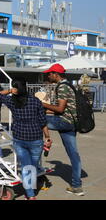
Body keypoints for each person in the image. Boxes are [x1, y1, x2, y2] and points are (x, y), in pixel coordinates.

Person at [0, 80, 52, 200]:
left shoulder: (12, 101)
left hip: (19, 138)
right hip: (35, 138)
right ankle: (30, 191)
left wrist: (11, 91)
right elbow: (43, 121)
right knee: (32, 165)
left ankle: (30, 195)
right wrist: (47, 137)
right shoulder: (35, 101)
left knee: (26, 166)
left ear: (16, 89)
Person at [42, 63, 84, 196]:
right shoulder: (69, 85)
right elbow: (63, 109)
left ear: (56, 74)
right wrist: (47, 109)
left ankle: (36, 160)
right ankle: (77, 187)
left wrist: (41, 104)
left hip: (64, 122)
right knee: (73, 154)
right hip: (71, 123)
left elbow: (60, 109)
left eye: (50, 73)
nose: (48, 75)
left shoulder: (62, 87)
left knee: (36, 121)